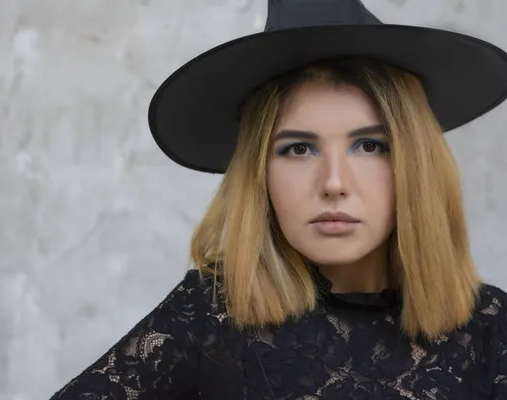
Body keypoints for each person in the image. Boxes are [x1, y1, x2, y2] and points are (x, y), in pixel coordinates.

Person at [50, 0, 507, 399]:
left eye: (370, 146)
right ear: (259, 174)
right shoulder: (209, 314)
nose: (333, 182)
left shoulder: (491, 329)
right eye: (298, 148)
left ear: (417, 163)